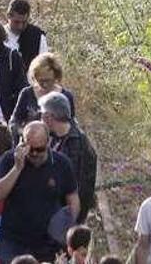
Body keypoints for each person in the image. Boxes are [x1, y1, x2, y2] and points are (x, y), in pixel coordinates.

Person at [0, 121, 80, 262]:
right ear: (22, 142)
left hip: (48, 242)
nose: (34, 154)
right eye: (29, 149)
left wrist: (66, 229)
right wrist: (17, 168)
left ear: (48, 143)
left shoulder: (62, 164)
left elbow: (73, 199)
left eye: (39, 149)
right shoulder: (9, 159)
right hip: (13, 239)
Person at [41, 92, 98, 224]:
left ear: (50, 117)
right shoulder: (54, 137)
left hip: (67, 216)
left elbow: (74, 186)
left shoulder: (77, 145)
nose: (40, 119)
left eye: (42, 115)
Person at [10, 53, 76, 142]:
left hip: (58, 147)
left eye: (48, 80)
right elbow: (14, 123)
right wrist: (27, 132)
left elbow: (71, 126)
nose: (44, 84)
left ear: (56, 76)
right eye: (40, 81)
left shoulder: (66, 96)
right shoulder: (27, 93)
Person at [7, 0, 49, 70]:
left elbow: (44, 65)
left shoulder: (38, 37)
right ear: (8, 16)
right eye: (16, 22)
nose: (20, 26)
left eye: (24, 22)